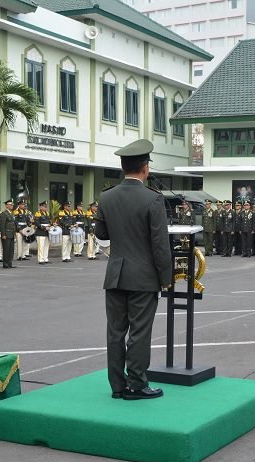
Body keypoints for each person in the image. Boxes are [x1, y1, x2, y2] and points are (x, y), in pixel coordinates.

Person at [94, 139, 171, 400]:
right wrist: (166, 279)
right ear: (145, 168)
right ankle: (137, 384)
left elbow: (101, 233)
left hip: (115, 274)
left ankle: (117, 386)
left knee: (115, 332)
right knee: (139, 332)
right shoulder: (153, 199)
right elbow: (160, 246)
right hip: (143, 277)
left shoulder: (106, 197)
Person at [0, 199, 17, 268]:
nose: (12, 206)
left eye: (12, 205)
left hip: (12, 234)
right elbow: (2, 225)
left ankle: (10, 263)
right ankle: (5, 263)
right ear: (6, 205)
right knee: (6, 250)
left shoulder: (12, 213)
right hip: (6, 234)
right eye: (10, 205)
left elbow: (13, 224)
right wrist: (3, 234)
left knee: (11, 250)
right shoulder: (4, 213)